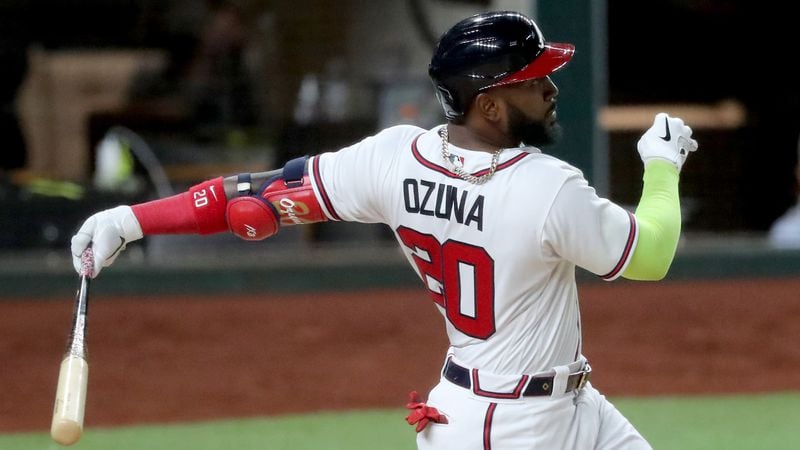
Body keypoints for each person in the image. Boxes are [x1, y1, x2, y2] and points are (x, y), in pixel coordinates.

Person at [70, 11, 697, 450]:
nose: (552, 89)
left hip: (557, 409)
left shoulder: (393, 159)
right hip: (509, 429)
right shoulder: (545, 187)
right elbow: (653, 253)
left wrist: (129, 219)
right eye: (533, 81)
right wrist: (663, 165)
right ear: (491, 105)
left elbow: (253, 199)